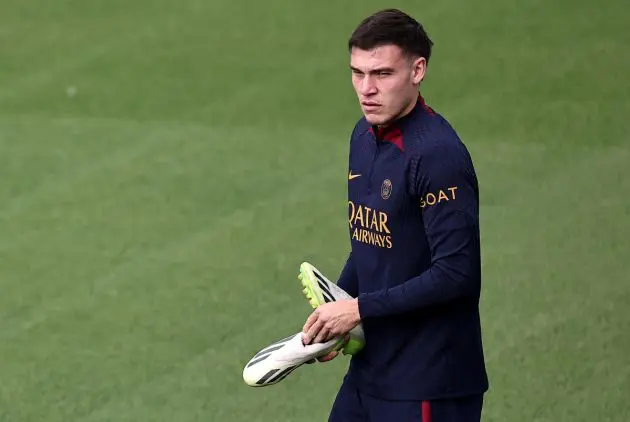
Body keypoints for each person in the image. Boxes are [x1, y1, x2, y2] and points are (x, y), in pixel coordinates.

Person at [300, 8, 489, 422]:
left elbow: (457, 274)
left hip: (429, 383)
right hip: (372, 373)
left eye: (382, 74)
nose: (366, 89)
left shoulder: (437, 156)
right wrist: (337, 316)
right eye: (357, 73)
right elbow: (373, 245)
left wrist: (359, 310)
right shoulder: (363, 137)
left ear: (418, 70)